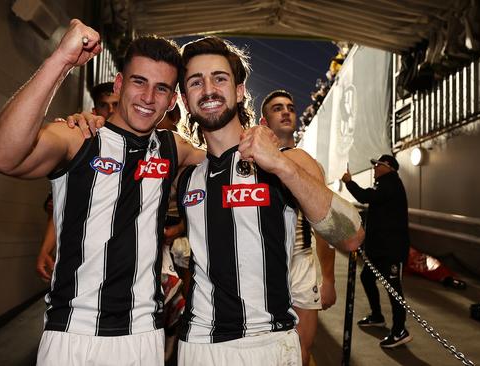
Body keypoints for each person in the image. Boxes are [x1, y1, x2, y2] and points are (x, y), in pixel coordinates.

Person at [0, 19, 203, 365]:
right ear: (119, 84)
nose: (148, 98)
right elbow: (1, 155)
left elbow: (229, 161)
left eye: (161, 89)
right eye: (139, 82)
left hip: (143, 335)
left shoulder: (173, 147)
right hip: (74, 333)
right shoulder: (79, 136)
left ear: (173, 100)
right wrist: (60, 61)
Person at [175, 36, 364, 365]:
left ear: (239, 91)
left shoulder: (289, 161)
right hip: (199, 345)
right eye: (196, 82)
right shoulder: (187, 175)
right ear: (185, 100)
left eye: (219, 78)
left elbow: (351, 236)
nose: (208, 89)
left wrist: (280, 165)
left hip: (271, 344)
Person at [260, 89, 337, 365]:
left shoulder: (310, 165)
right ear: (263, 122)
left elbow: (325, 226)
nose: (286, 112)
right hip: (264, 266)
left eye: (290, 107)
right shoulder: (252, 162)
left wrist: (328, 278)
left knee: (302, 349)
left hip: (301, 263)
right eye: (278, 108)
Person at [35, 82, 119, 283]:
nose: (110, 111)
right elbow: (60, 208)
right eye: (103, 105)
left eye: (115, 104)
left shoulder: (142, 146)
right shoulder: (79, 141)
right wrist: (46, 249)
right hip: (84, 266)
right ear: (94, 109)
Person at [342, 154, 412, 348]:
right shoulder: (384, 185)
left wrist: (349, 182)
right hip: (380, 250)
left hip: (392, 251)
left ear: (389, 167)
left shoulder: (391, 184)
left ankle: (400, 330)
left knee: (394, 290)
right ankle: (377, 315)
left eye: (378, 165)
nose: (374, 168)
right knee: (367, 278)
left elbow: (366, 197)